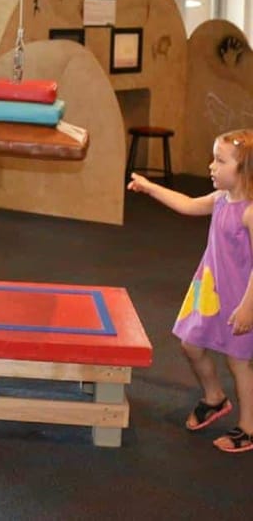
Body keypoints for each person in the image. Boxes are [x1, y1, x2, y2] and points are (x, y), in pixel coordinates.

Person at [128, 129, 253, 454]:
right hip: (211, 291)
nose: (211, 166)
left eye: (220, 160)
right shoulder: (220, 200)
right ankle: (214, 398)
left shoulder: (250, 212)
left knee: (239, 363)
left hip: (241, 298)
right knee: (190, 345)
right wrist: (149, 186)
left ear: (244, 170)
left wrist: (248, 307)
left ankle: (248, 428)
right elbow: (185, 205)